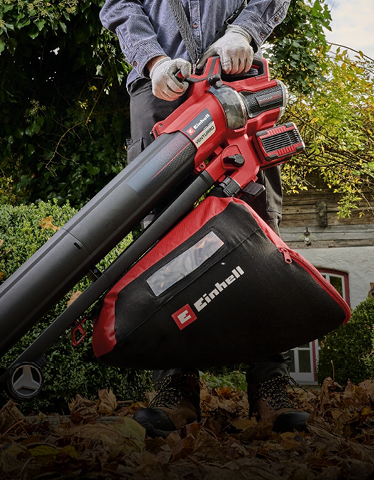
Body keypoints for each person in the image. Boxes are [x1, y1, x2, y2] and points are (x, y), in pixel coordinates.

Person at [99, 0, 309, 437]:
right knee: (160, 235)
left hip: (237, 77)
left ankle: (269, 384)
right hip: (159, 90)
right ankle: (175, 384)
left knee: (256, 225)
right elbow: (120, 4)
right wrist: (151, 59)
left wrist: (243, 33)